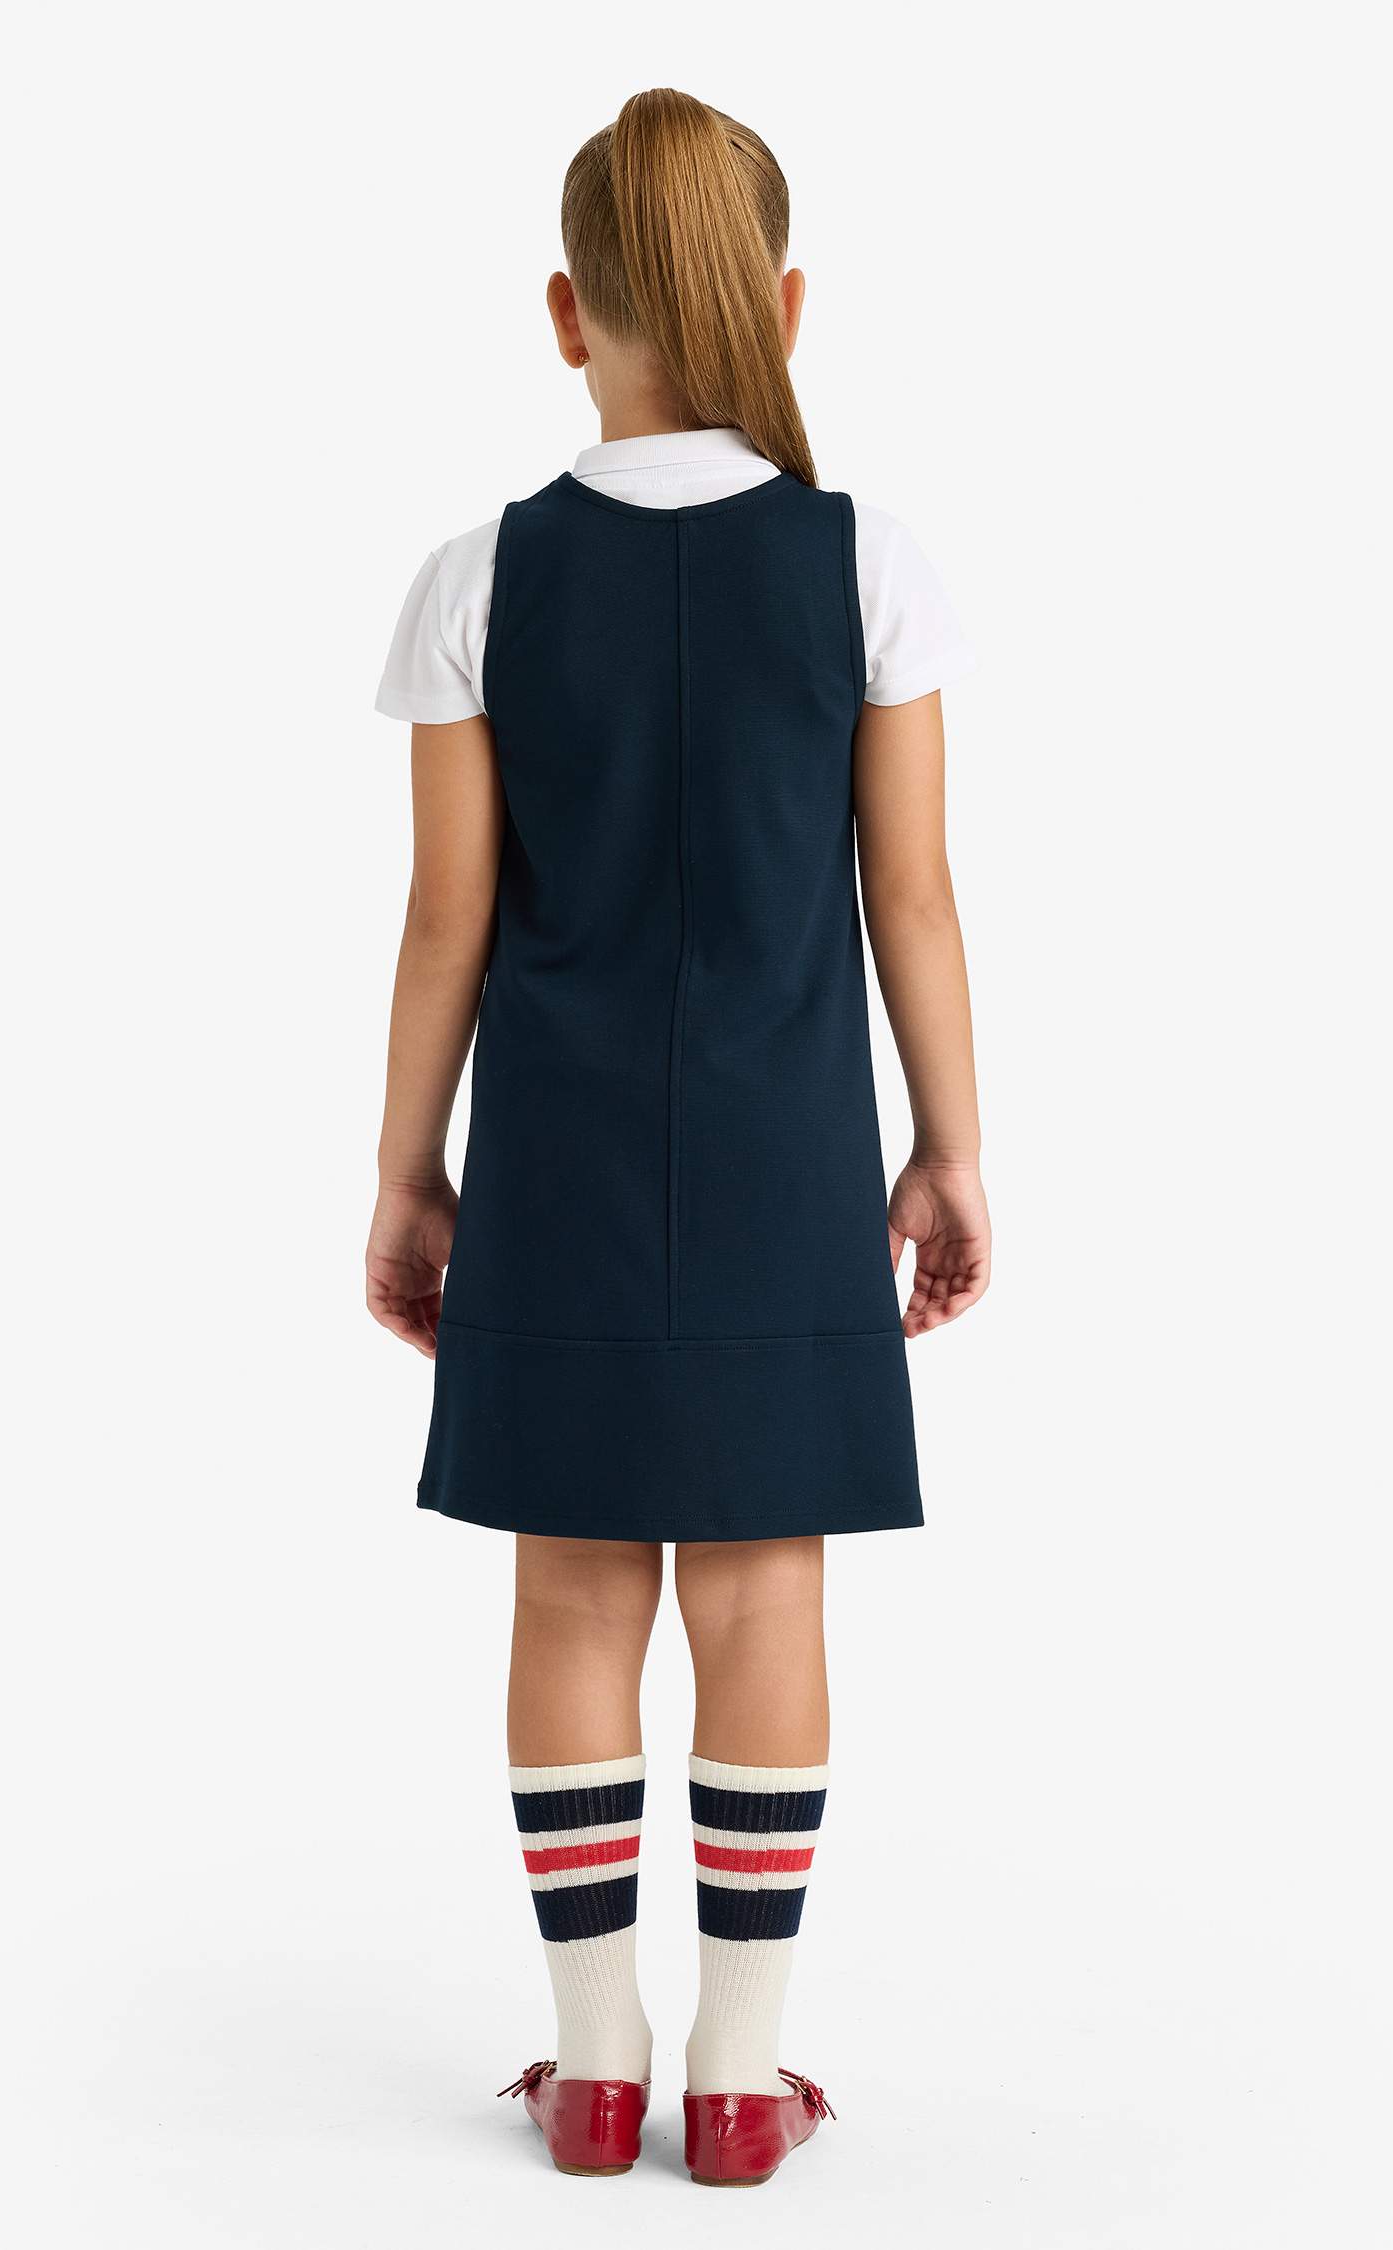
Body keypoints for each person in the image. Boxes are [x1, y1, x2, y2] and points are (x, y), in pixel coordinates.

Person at [367, 87, 989, 2188]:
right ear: (786, 305)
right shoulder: (866, 564)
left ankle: (593, 2060)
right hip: (790, 1169)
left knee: (568, 1597)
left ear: (569, 313)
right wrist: (950, 1149)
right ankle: (737, 2074)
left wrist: (407, 1177)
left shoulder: (478, 578)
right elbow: (914, 900)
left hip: (549, 1167)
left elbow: (446, 919)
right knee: (761, 1595)